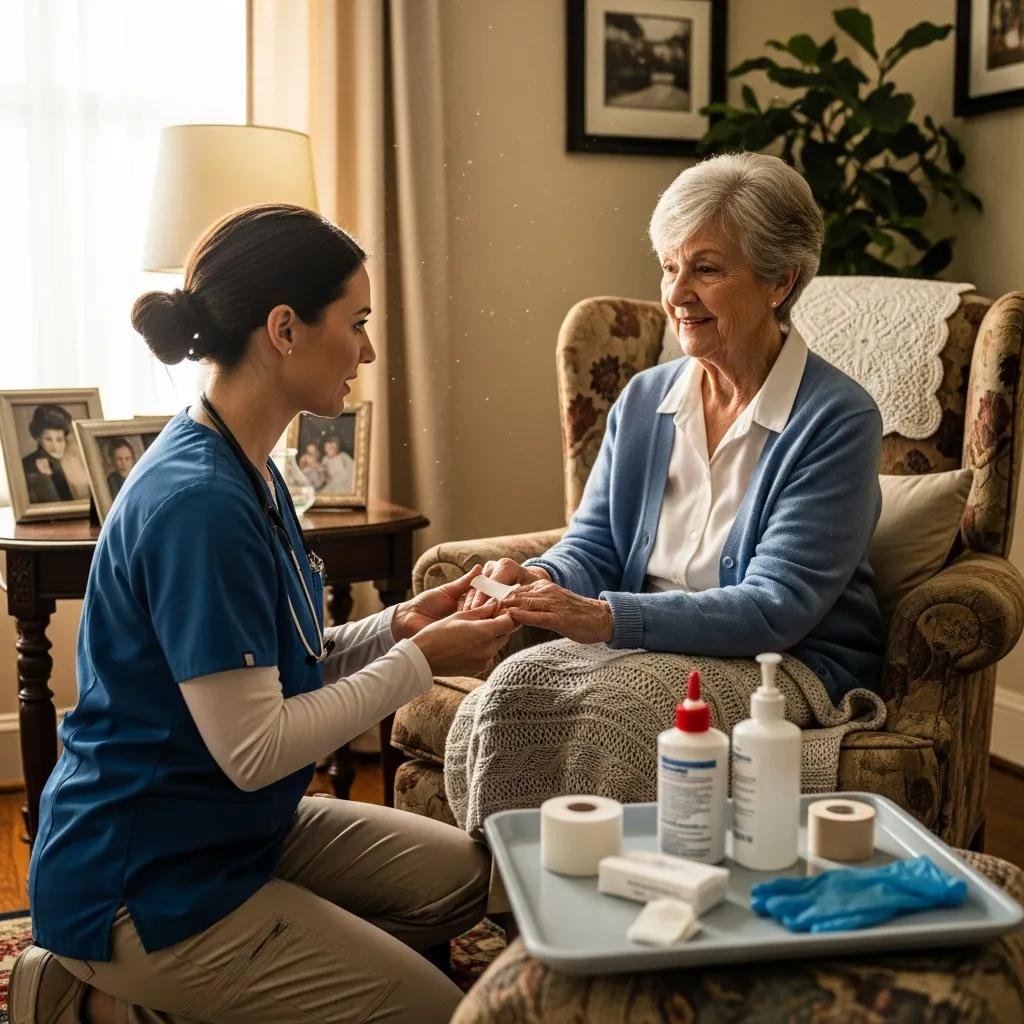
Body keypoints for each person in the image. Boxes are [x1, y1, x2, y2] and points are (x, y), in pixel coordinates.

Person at [12, 204, 515, 1024]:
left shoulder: (247, 464)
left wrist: (402, 625)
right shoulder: (200, 503)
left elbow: (281, 663)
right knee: (434, 1014)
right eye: (355, 324)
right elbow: (256, 747)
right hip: (145, 876)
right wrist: (425, 662)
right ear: (284, 328)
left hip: (231, 827)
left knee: (466, 879)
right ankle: (92, 1001)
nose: (369, 350)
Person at [450, 153, 885, 830]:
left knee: (614, 718)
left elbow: (777, 608)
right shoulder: (647, 396)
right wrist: (537, 579)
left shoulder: (836, 419)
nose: (676, 293)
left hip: (781, 663)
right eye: (669, 266)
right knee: (505, 692)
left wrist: (603, 620)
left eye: (706, 269)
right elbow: (594, 543)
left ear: (780, 280)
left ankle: (636, 910)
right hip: (643, 641)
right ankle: (521, 907)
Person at [21, 404, 90, 504]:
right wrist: (44, 479)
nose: (55, 447)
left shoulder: (73, 461)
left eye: (59, 440)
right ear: (38, 438)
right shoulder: (27, 466)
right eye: (48, 439)